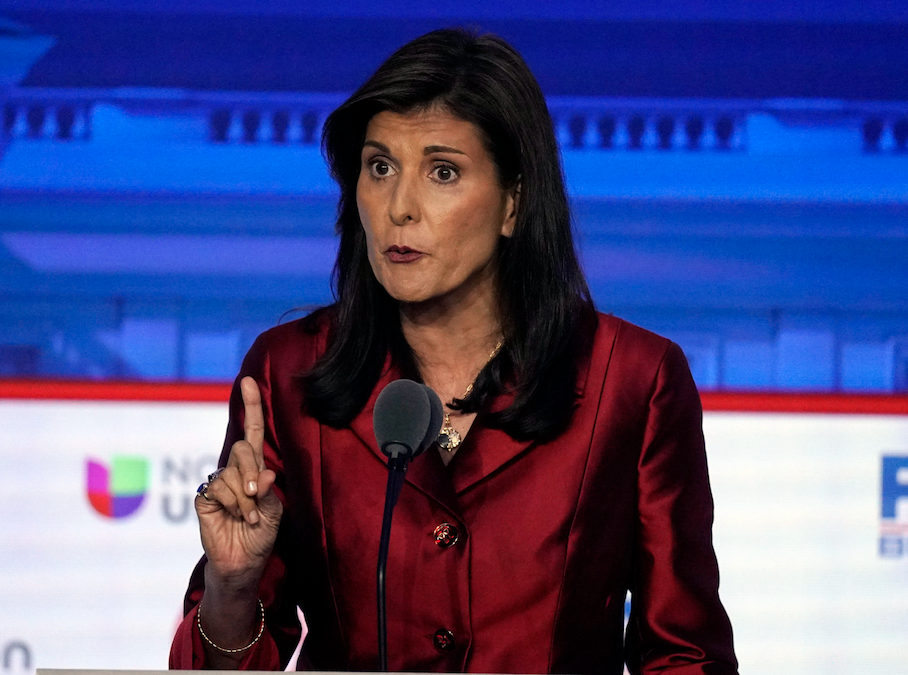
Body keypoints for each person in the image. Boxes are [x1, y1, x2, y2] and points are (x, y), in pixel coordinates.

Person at [170, 28, 737, 674]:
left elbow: (686, 657)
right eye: (380, 167)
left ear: (513, 203)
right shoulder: (287, 375)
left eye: (443, 172)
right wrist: (233, 587)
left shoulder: (632, 380)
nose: (399, 208)